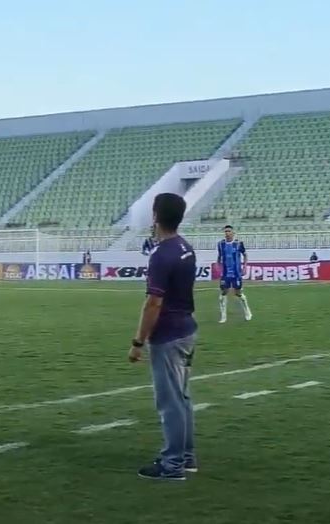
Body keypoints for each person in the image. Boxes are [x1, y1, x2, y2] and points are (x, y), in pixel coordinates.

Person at [128, 193, 197, 481]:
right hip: (186, 329)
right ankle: (186, 456)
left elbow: (153, 303)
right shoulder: (185, 248)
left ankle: (172, 466)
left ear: (156, 216)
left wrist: (137, 342)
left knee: (170, 402)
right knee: (182, 397)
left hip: (168, 335)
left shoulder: (162, 254)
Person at [217, 225, 252, 323]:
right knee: (223, 292)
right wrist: (217, 264)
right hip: (225, 273)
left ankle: (247, 312)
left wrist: (245, 266)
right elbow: (219, 256)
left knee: (238, 293)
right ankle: (223, 316)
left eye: (229, 231)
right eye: (225, 231)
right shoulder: (220, 244)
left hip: (236, 273)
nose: (227, 233)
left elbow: (245, 255)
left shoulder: (238, 243)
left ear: (233, 233)